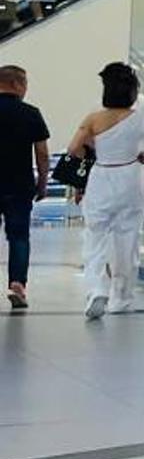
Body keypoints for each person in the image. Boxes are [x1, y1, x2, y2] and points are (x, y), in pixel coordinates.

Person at [66, 60, 144, 319]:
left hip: (102, 176)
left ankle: (97, 287)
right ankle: (122, 297)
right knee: (128, 239)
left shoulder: (94, 116)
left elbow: (73, 149)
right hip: (133, 178)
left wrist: (92, 149)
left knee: (95, 236)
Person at [0, 65, 49, 309]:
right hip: (19, 186)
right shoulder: (30, 113)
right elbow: (42, 153)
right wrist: (42, 182)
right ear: (16, 84)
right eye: (25, 84)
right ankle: (18, 284)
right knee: (19, 236)